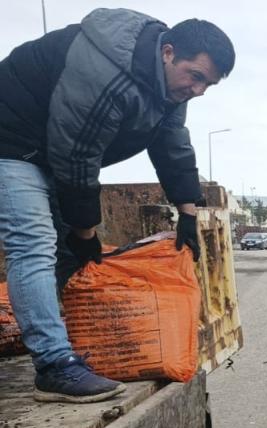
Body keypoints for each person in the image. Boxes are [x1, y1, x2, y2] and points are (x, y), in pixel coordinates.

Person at [0, 10, 234, 403]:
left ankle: (73, 342)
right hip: (10, 140)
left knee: (69, 253)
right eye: (195, 76)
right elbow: (77, 155)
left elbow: (173, 145)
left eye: (207, 84)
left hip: (50, 150)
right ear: (168, 52)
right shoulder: (107, 73)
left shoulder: (168, 89)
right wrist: (85, 231)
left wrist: (188, 213)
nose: (198, 90)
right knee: (35, 243)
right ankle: (55, 366)